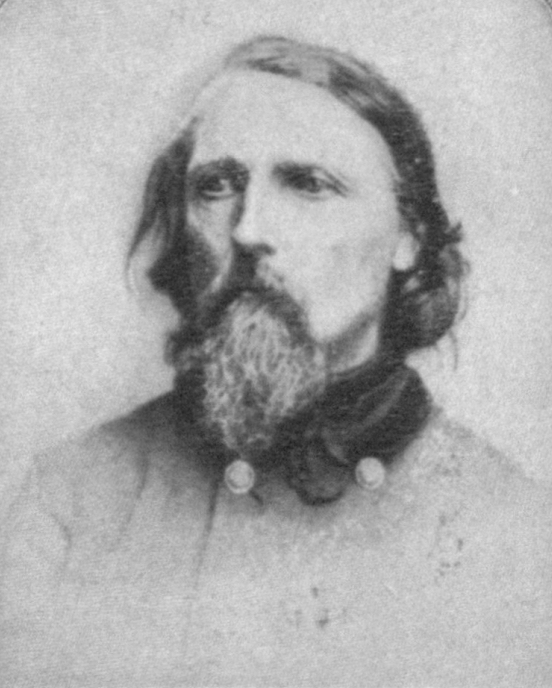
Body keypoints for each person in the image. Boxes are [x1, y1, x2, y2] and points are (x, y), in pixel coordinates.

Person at [1, 35, 550, 687]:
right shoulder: (74, 497)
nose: (248, 229)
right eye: (216, 186)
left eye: (308, 184)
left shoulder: (511, 531)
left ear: (409, 235)